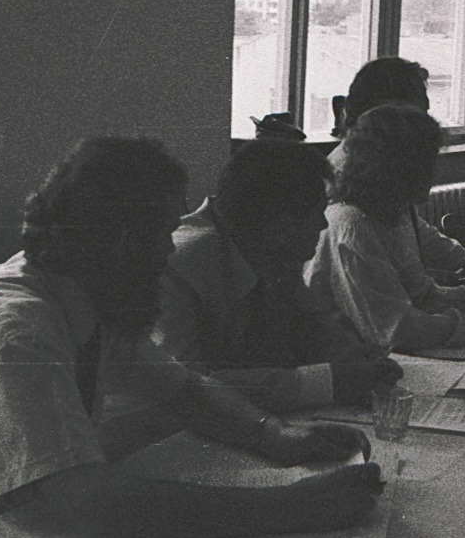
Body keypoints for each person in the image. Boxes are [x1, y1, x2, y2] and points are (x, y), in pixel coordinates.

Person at [0, 137, 382, 538]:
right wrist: (293, 507)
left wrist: (274, 436)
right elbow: (90, 509)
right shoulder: (16, 329)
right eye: (163, 232)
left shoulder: (83, 296)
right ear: (122, 241)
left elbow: (185, 390)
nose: (170, 250)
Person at [153, 139, 402, 412]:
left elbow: (309, 323)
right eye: (318, 213)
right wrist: (327, 381)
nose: (322, 225)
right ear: (282, 228)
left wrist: (354, 357)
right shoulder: (180, 263)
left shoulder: (268, 247)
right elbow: (185, 387)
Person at [309, 104, 465, 352]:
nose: (433, 173)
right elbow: (396, 330)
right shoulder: (352, 226)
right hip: (352, 362)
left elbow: (419, 291)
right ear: (399, 167)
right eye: (427, 162)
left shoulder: (390, 211)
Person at [329, 55, 465, 292]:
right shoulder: (349, 174)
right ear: (388, 112)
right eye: (419, 112)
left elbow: (415, 231)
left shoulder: (378, 161)